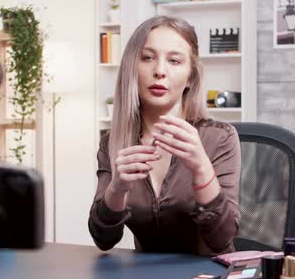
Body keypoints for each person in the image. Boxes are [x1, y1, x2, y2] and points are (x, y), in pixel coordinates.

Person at [88, 16, 241, 256]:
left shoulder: (219, 138)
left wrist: (201, 169)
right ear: (131, 68)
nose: (160, 71)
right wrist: (117, 188)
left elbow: (222, 239)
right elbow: (104, 239)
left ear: (190, 77)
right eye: (147, 58)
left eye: (174, 60)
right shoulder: (113, 143)